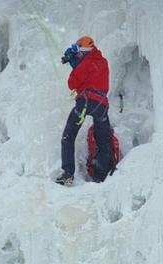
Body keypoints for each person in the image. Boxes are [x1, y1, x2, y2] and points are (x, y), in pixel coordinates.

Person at [57, 36, 112, 186]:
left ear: (85, 51)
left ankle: (68, 174)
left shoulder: (86, 62)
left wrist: (75, 65)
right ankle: (101, 176)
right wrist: (78, 63)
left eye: (79, 53)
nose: (77, 56)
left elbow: (72, 83)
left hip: (85, 102)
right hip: (101, 105)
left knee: (68, 137)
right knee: (103, 141)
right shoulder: (102, 62)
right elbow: (96, 78)